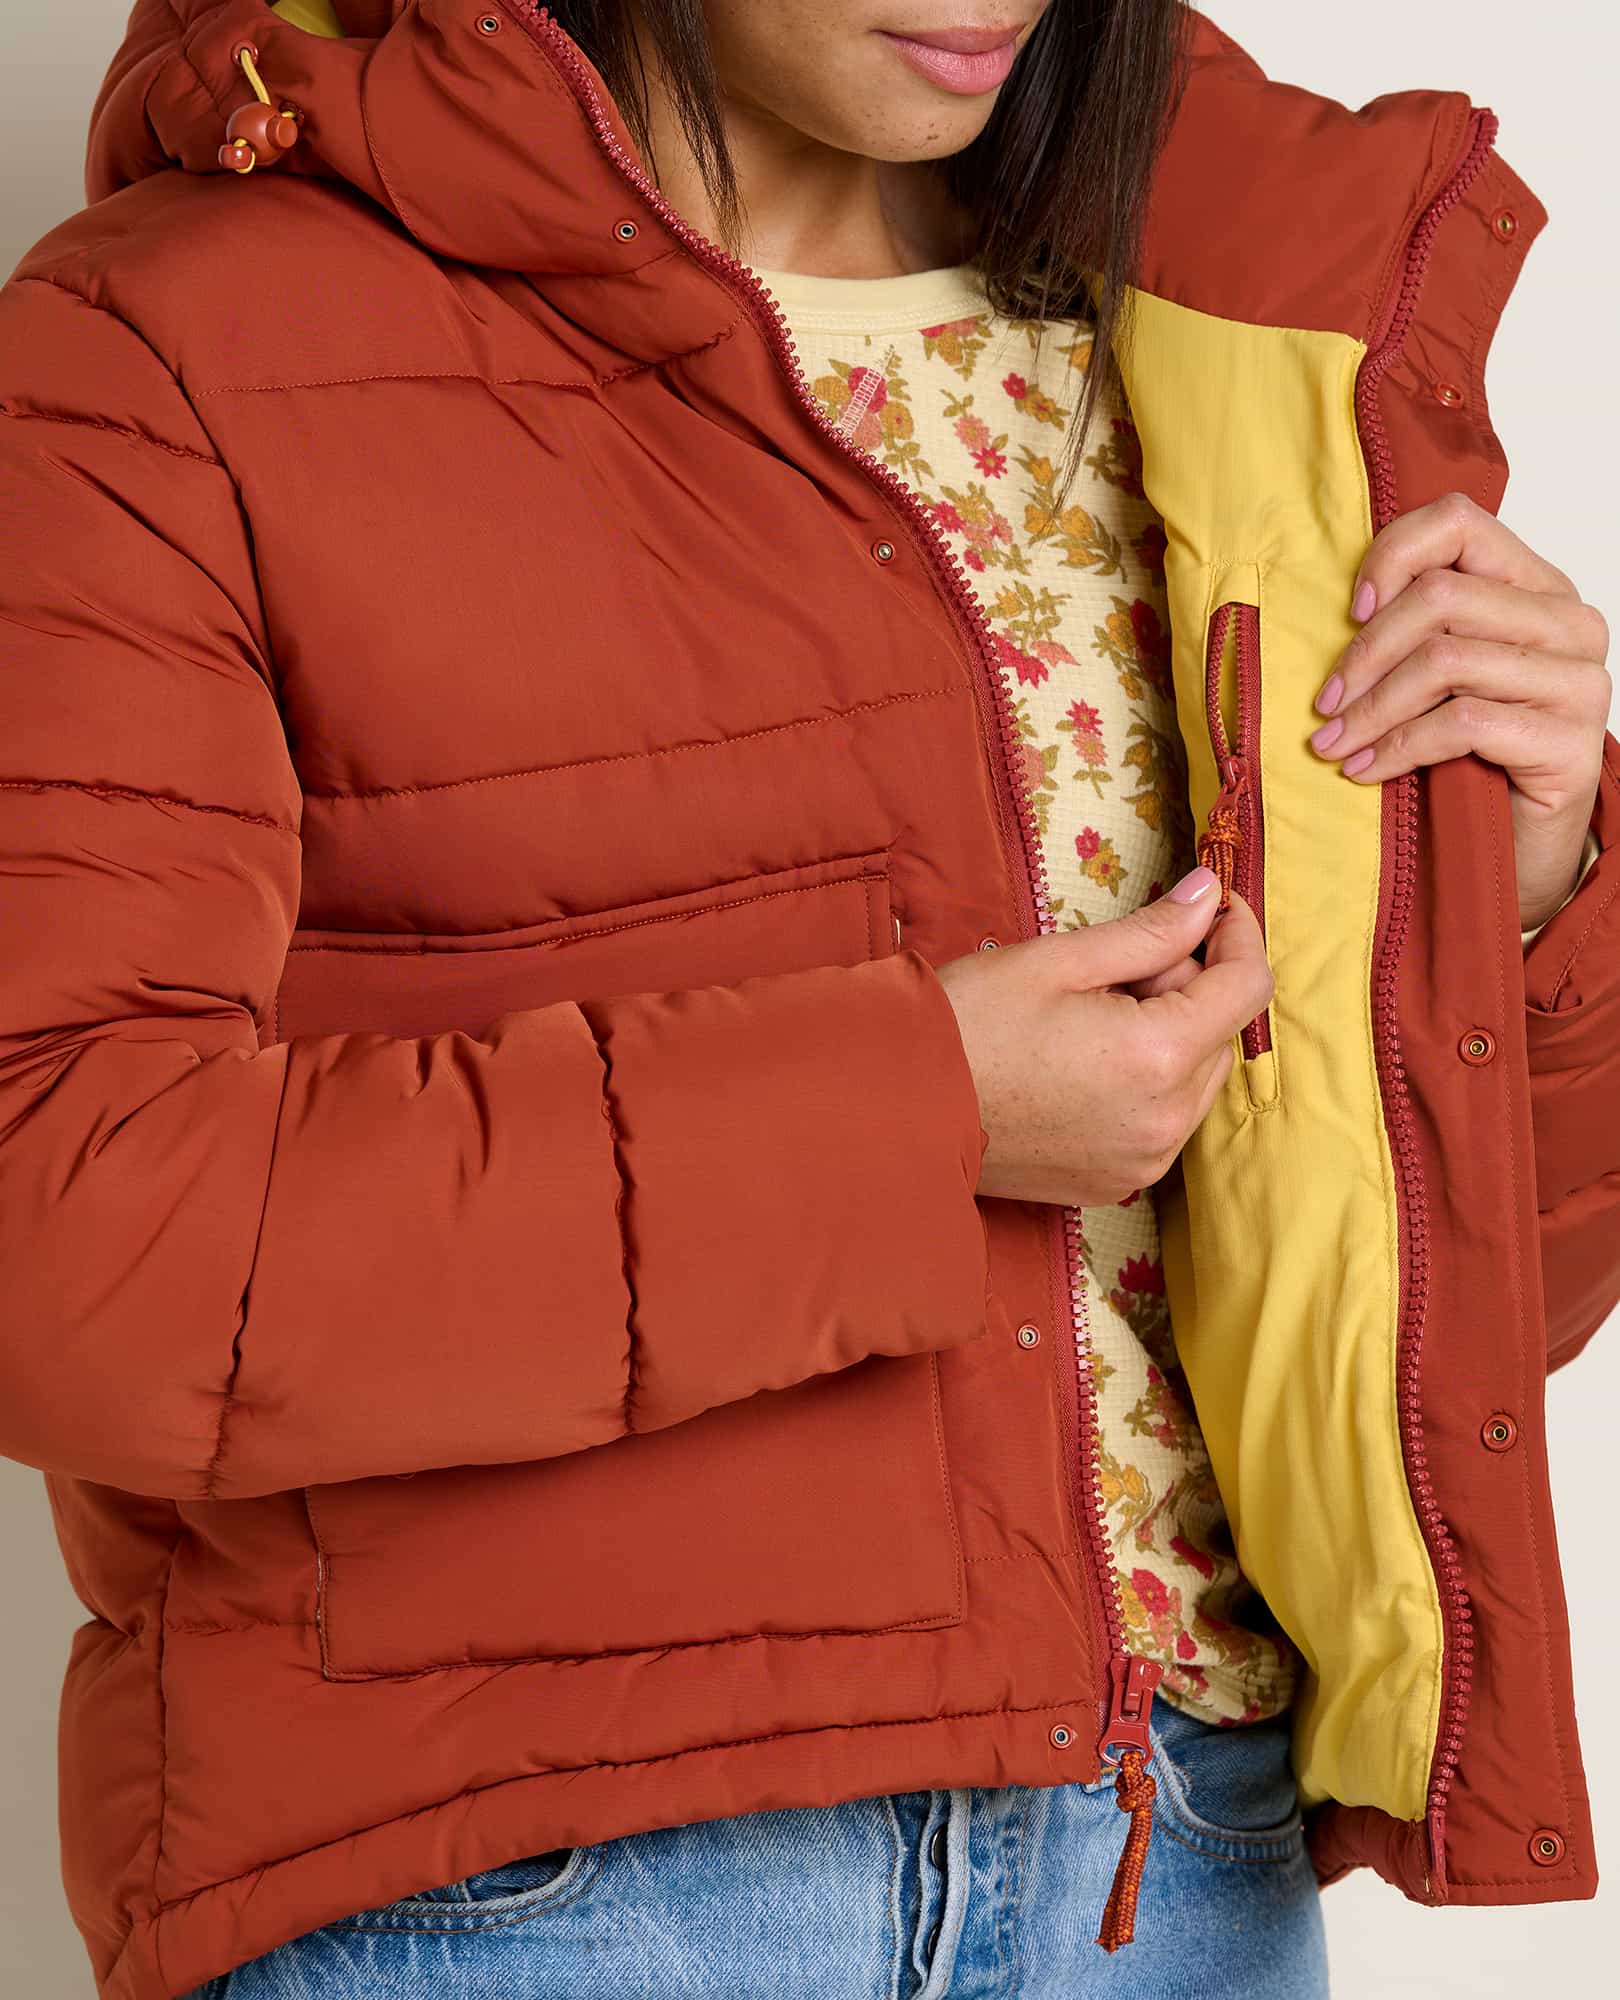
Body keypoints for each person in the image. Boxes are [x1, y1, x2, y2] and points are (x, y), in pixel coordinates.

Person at [0, 2, 1612, 1996]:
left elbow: (1442, 1342)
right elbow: (73, 1243)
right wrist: (921, 1112)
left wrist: (1524, 904)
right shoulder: (173, 348)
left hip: (1175, 1860)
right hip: (531, 1892)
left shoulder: (1216, 331)